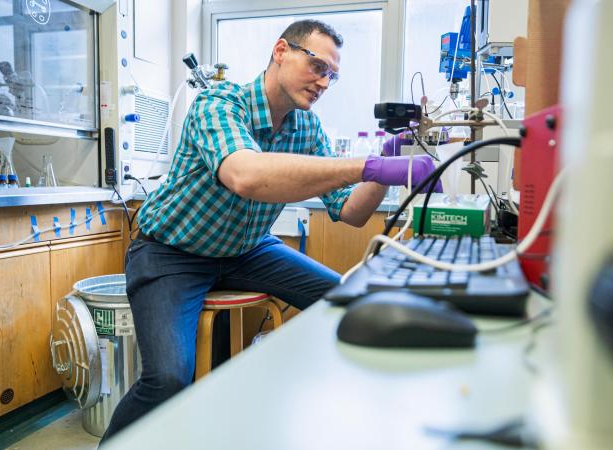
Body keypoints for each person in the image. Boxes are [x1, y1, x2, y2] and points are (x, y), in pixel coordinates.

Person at [100, 19, 440, 442]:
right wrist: (366, 165)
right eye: (318, 67)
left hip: (247, 249)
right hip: (172, 252)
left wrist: (385, 165)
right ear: (281, 51)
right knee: (168, 378)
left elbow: (350, 211)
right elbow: (245, 175)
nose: (325, 83)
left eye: (333, 76)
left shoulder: (307, 128)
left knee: (347, 301)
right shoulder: (219, 104)